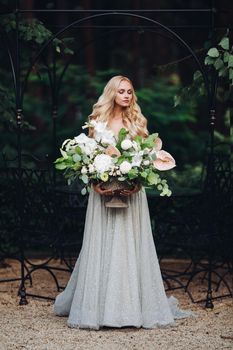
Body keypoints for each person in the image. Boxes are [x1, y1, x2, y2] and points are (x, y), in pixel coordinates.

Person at [53, 75, 195, 330]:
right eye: (121, 91)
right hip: (102, 193)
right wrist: (95, 183)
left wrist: (137, 183)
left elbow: (146, 160)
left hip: (132, 195)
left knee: (130, 245)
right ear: (112, 94)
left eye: (130, 91)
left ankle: (131, 308)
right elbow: (89, 157)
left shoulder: (137, 124)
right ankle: (98, 308)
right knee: (103, 243)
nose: (127, 95)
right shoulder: (97, 122)